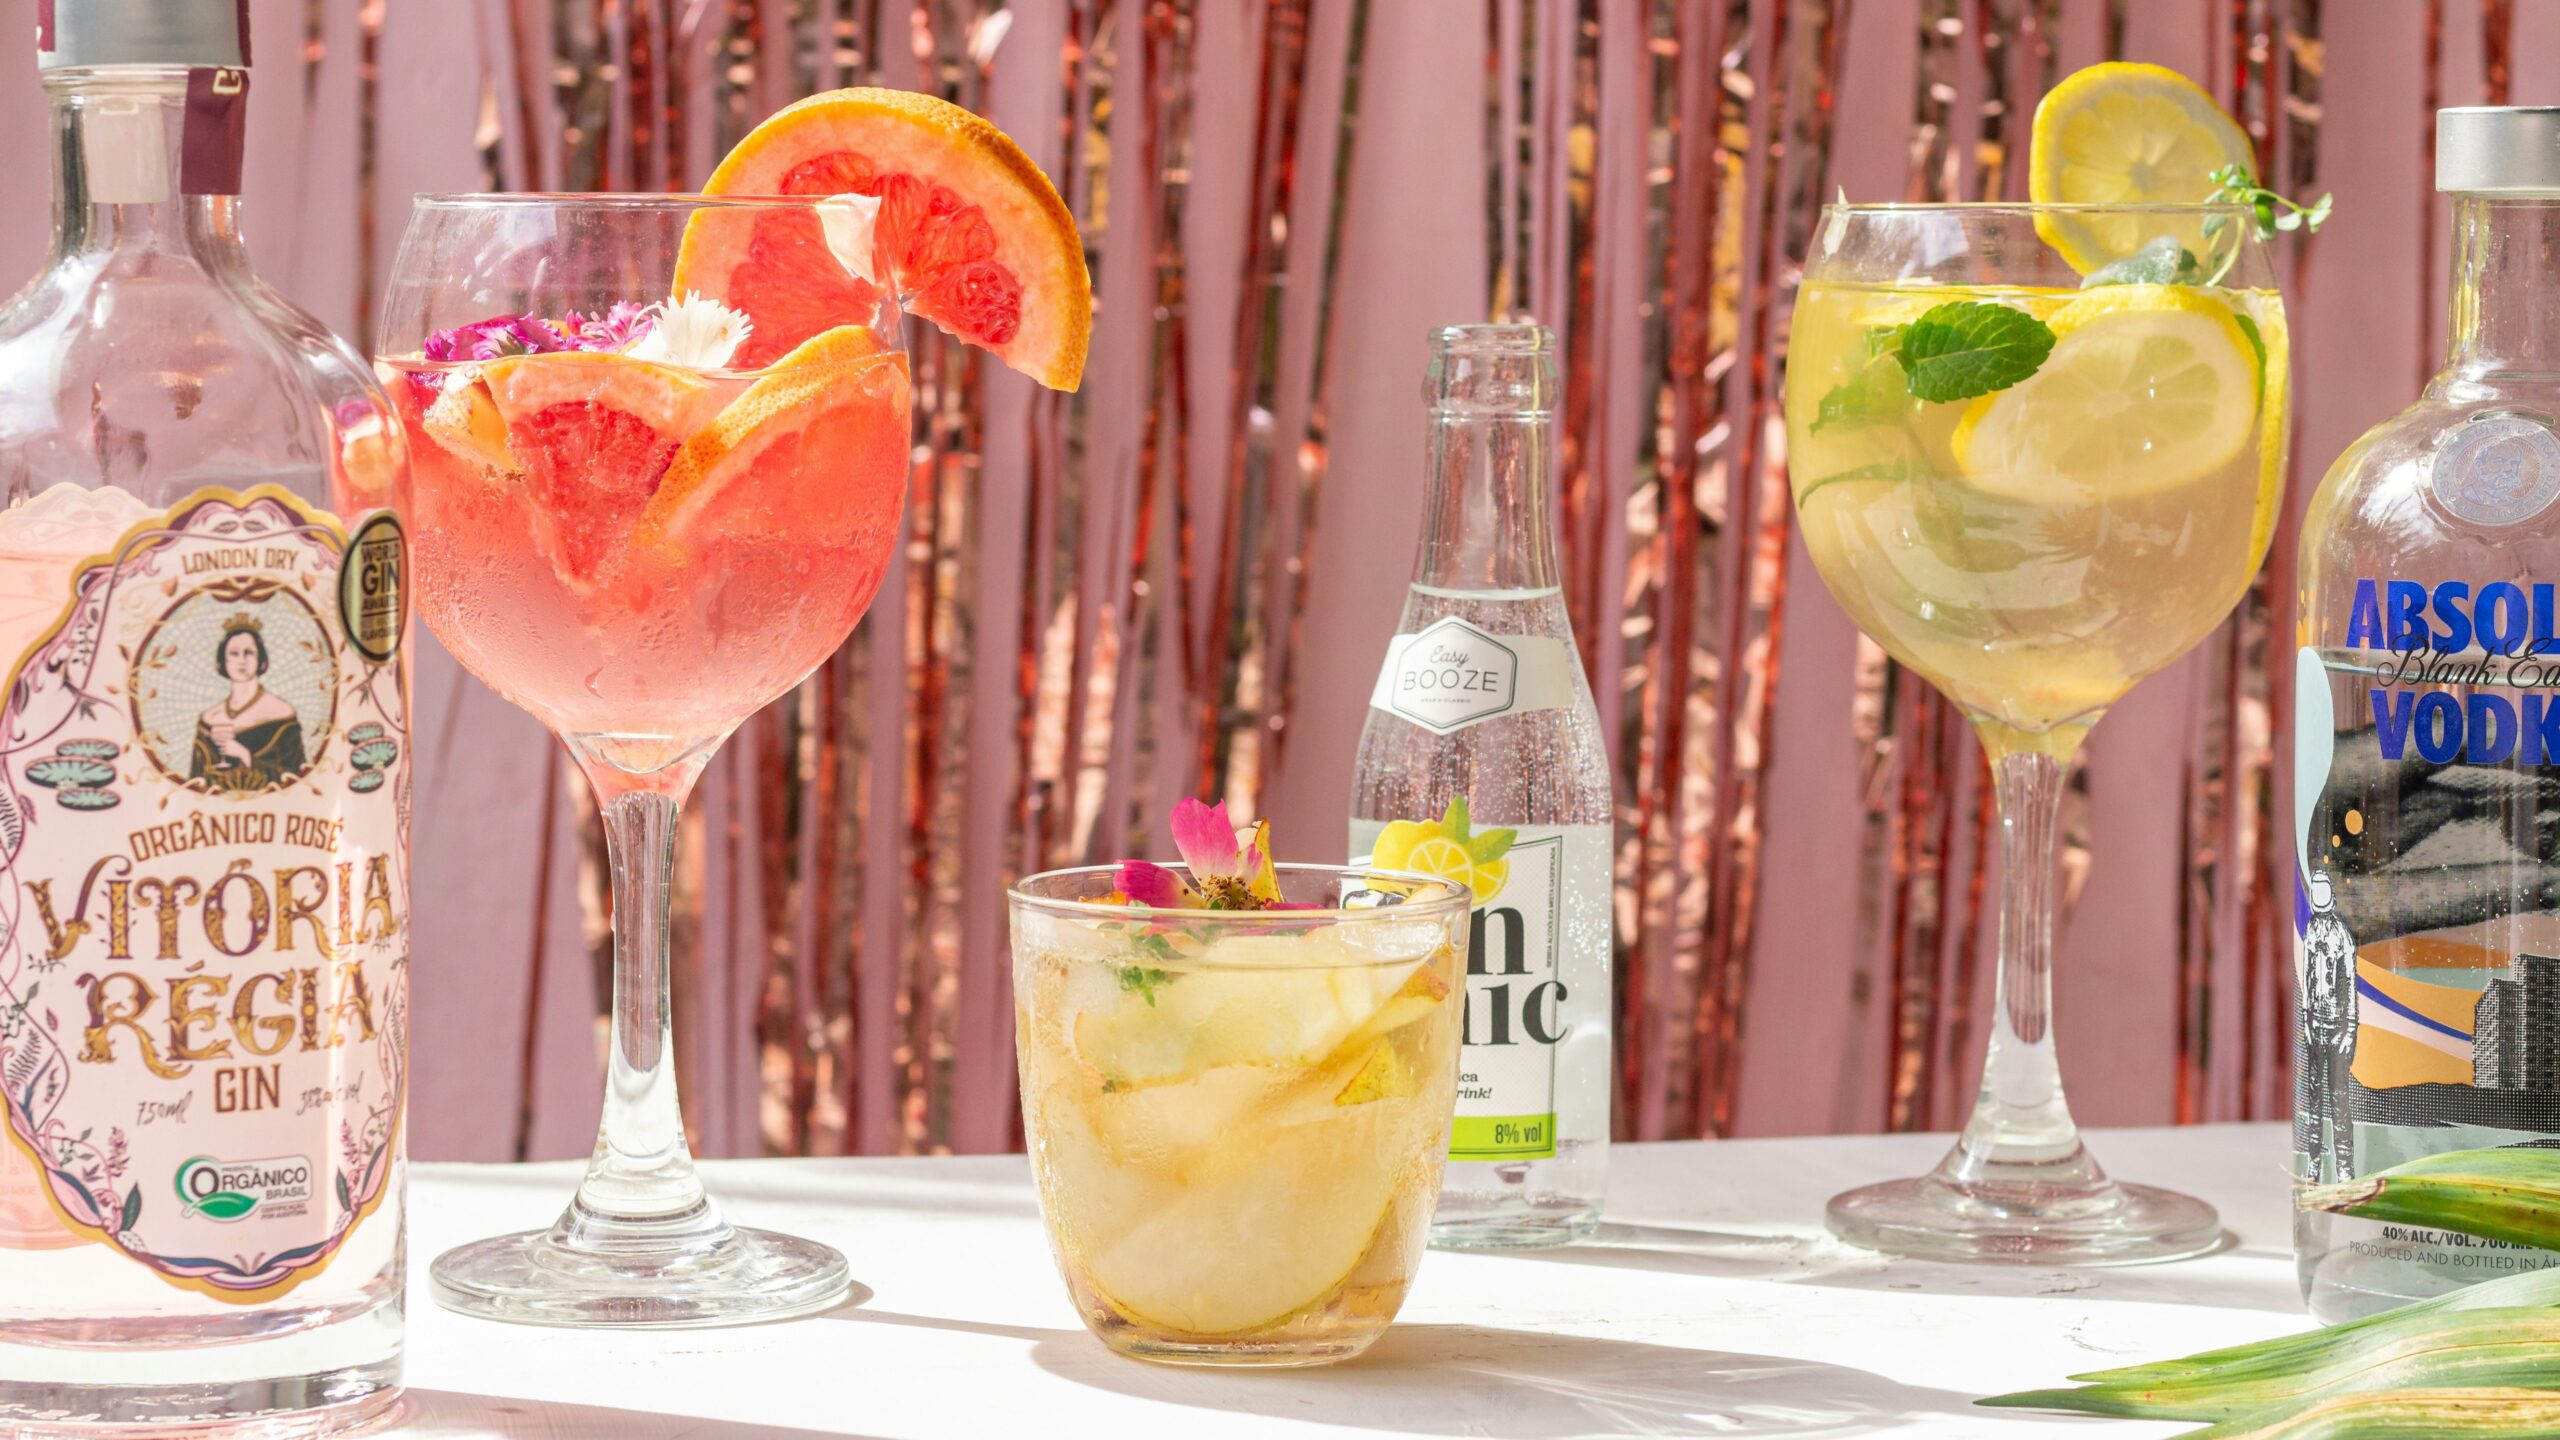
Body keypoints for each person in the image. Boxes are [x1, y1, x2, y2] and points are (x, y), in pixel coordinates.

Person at [189, 614, 305, 792]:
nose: (241, 660)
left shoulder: (281, 712)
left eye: (249, 652)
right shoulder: (210, 717)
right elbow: (195, 782)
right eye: (234, 654)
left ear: (260, 659)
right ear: (224, 661)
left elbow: (298, 779)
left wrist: (244, 756)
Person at [2297, 870, 2359, 1182]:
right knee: (2313, 1098)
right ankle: (2313, 1164)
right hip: (2314, 1026)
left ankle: (2345, 1168)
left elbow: (2350, 983)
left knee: (2339, 1099)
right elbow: (2308, 981)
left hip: (2337, 1027)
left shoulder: (2343, 937)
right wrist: (2306, 1020)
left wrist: (2350, 1029)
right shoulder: (2310, 931)